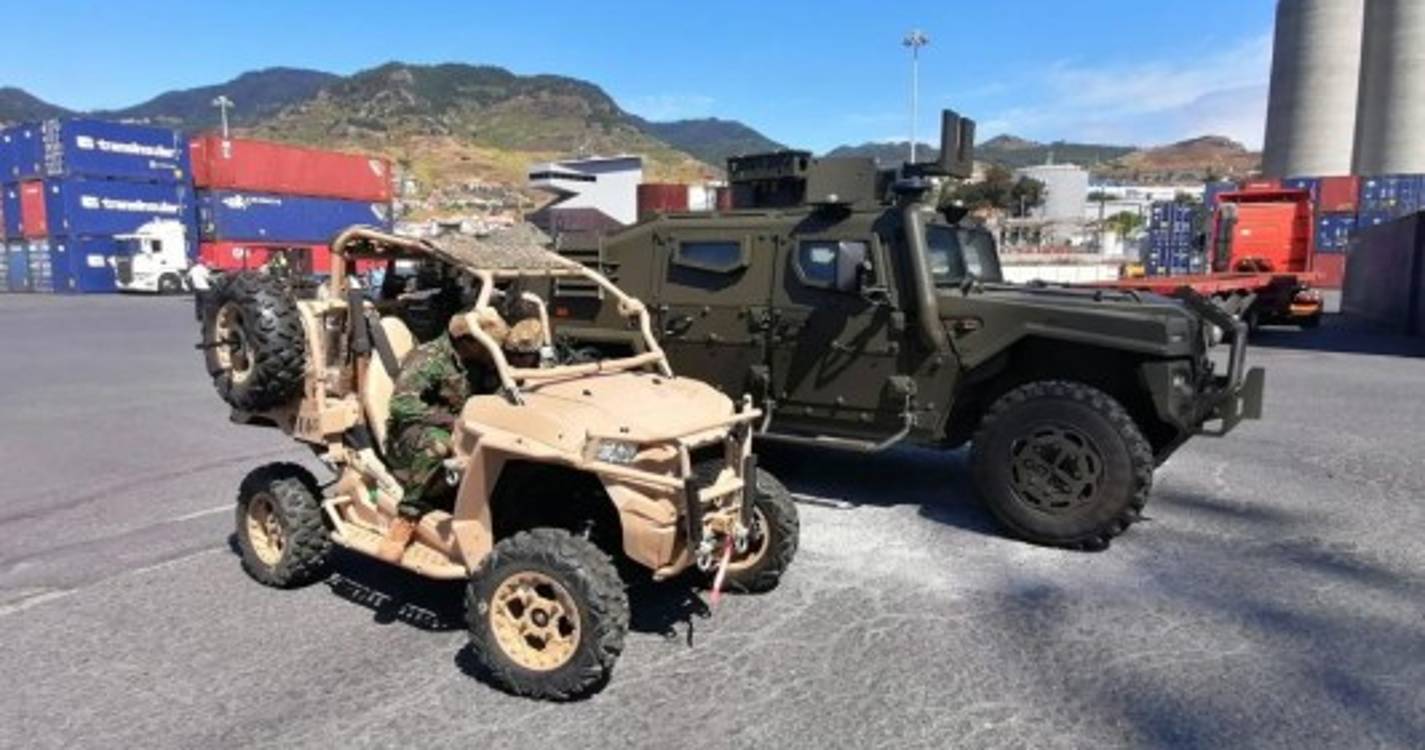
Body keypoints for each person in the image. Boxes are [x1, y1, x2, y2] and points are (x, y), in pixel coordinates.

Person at [377, 307, 509, 561]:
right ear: (468, 342)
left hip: (462, 427)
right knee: (437, 445)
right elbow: (402, 405)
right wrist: (453, 422)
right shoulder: (429, 358)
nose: (492, 350)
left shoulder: (477, 360)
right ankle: (407, 516)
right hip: (412, 434)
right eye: (487, 345)